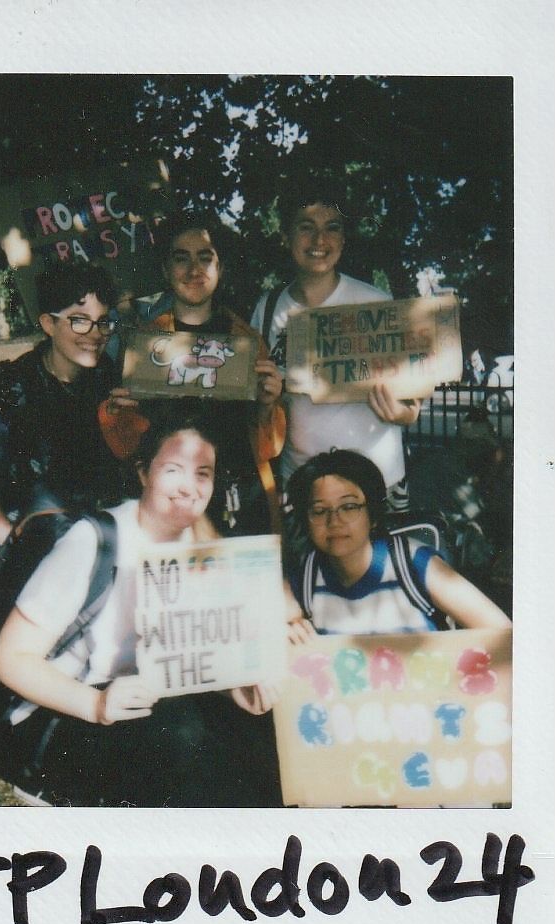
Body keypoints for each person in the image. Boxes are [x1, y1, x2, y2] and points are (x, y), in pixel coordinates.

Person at [0, 412, 283, 807]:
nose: (189, 487)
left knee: (258, 740)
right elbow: (10, 659)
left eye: (203, 474)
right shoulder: (95, 540)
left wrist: (239, 692)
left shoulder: (200, 551)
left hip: (151, 700)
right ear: (144, 473)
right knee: (183, 737)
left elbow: (193, 658)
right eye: (173, 470)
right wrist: (96, 705)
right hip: (69, 710)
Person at [99, 213, 285, 536]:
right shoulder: (143, 345)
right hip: (172, 503)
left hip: (239, 499)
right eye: (181, 258)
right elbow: (127, 449)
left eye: (205, 258)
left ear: (219, 268)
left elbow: (268, 448)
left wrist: (268, 405)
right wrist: (118, 414)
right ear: (165, 270)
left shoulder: (246, 342)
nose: (194, 270)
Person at [250, 184, 422, 511]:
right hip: (301, 486)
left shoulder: (376, 303)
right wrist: (265, 399)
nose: (319, 240)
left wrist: (403, 414)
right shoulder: (268, 309)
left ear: (343, 239)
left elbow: (412, 403)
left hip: (378, 485)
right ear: (285, 236)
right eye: (306, 228)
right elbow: (259, 403)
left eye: (332, 228)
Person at [0, 265, 125, 575]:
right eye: (79, 320)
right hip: (17, 536)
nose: (95, 333)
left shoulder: (108, 380)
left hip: (87, 538)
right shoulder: (8, 386)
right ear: (48, 324)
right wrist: (14, 548)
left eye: (103, 321)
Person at [285, 449, 511, 641]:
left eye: (349, 507)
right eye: (319, 511)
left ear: (373, 514)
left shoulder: (413, 564)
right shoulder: (306, 576)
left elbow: (503, 634)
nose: (334, 521)